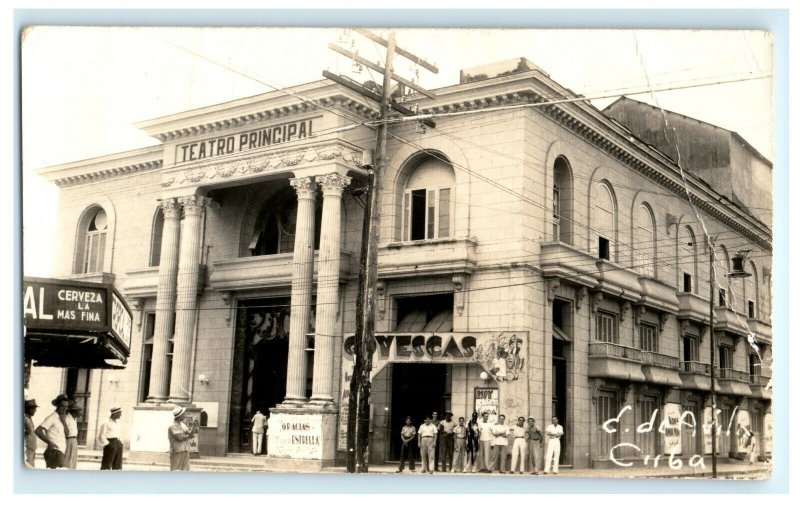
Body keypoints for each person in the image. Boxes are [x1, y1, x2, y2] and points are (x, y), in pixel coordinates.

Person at [35, 393, 70, 469]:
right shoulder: (52, 417)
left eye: (66, 407)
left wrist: (63, 422)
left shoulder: (61, 418)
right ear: (57, 405)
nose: (64, 409)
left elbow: (67, 434)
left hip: (60, 451)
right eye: (62, 406)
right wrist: (49, 442)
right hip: (55, 451)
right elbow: (38, 430)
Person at [168, 406, 197, 471]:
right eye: (183, 414)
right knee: (175, 470)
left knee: (185, 470)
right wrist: (187, 436)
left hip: (185, 450)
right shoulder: (172, 426)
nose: (184, 415)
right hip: (176, 451)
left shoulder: (183, 425)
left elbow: (190, 435)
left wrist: (194, 425)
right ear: (179, 416)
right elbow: (179, 438)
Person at [63, 402, 83, 469]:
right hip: (68, 440)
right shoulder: (66, 419)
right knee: (68, 458)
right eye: (80, 411)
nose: (81, 413)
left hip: (74, 440)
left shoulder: (74, 419)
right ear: (75, 411)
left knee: (73, 459)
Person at [24, 398, 38, 468]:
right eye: (34, 409)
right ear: (29, 409)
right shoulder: (24, 419)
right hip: (27, 447)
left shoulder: (28, 418)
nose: (35, 411)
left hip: (31, 447)